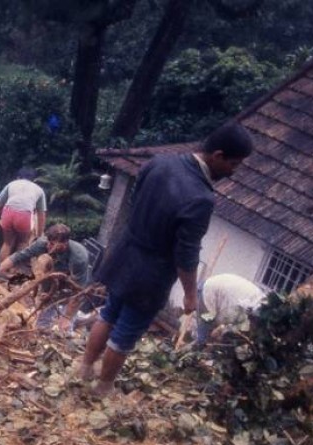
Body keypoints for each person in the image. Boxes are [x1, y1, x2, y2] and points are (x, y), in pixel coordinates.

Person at [78, 122, 253, 396]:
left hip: (125, 252)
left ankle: (84, 368)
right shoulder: (201, 198)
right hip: (151, 272)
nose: (234, 171)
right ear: (217, 156)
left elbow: (137, 201)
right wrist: (190, 295)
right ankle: (103, 387)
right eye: (234, 164)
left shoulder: (159, 162)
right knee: (126, 330)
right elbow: (186, 252)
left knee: (109, 313)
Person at [0, 224, 93, 330]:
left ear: (65, 243)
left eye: (53, 244)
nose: (49, 246)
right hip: (52, 279)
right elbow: (19, 256)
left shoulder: (78, 257)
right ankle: (43, 328)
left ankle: (72, 326)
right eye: (48, 242)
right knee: (43, 320)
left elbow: (78, 291)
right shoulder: (43, 244)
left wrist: (67, 317)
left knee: (65, 325)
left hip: (72, 284)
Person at [0, 169, 48, 261]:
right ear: (34, 180)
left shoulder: (11, 184)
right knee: (23, 243)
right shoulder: (39, 190)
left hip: (8, 213)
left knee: (7, 243)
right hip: (24, 215)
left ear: (18, 177)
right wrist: (39, 234)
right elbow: (41, 214)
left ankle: (1, 269)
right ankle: (15, 270)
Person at [194, 273, 266, 345]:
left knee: (208, 328)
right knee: (205, 330)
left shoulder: (258, 311)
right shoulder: (257, 312)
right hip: (211, 289)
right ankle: (199, 348)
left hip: (217, 289)